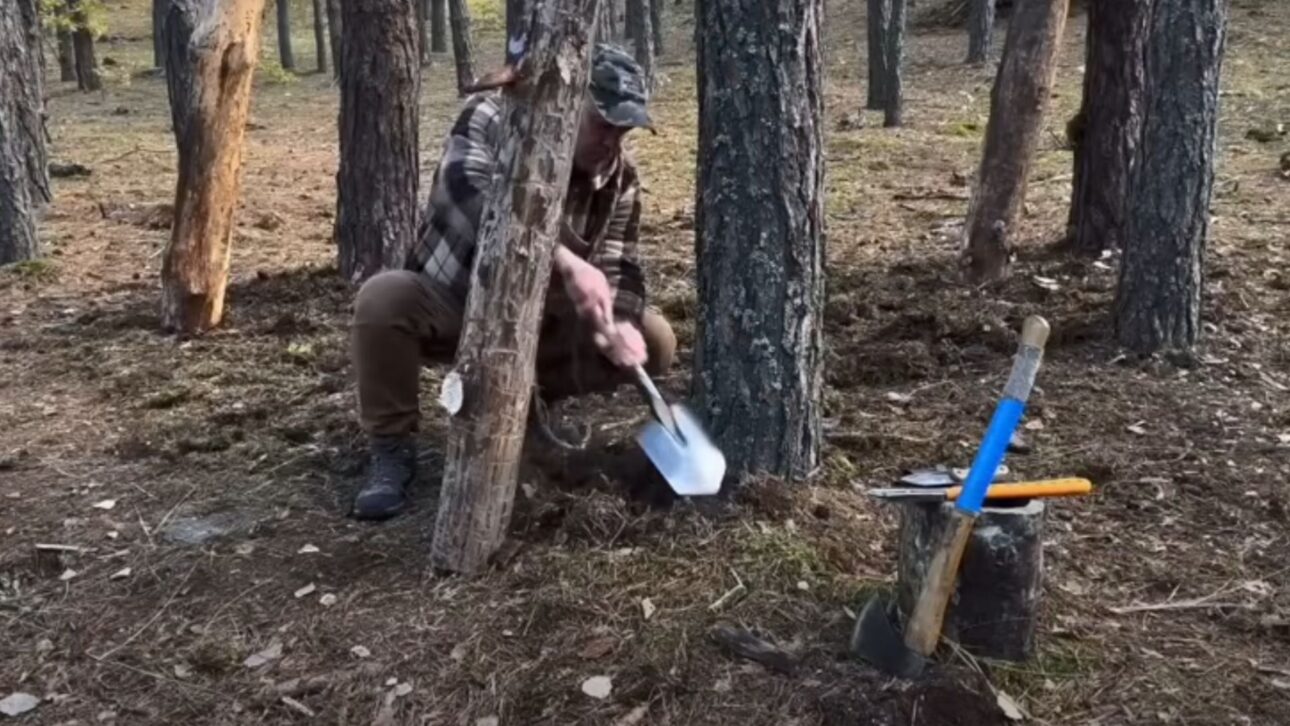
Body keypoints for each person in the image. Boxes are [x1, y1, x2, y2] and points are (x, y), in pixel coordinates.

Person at [347, 45, 676, 521]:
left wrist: (618, 322)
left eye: (623, 130)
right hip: (457, 302)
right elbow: (466, 194)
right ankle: (391, 450)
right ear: (569, 103)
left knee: (656, 339)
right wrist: (565, 261)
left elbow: (621, 264)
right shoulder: (492, 117)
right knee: (382, 301)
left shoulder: (618, 179)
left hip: (540, 324)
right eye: (603, 124)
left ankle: (535, 408)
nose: (612, 141)